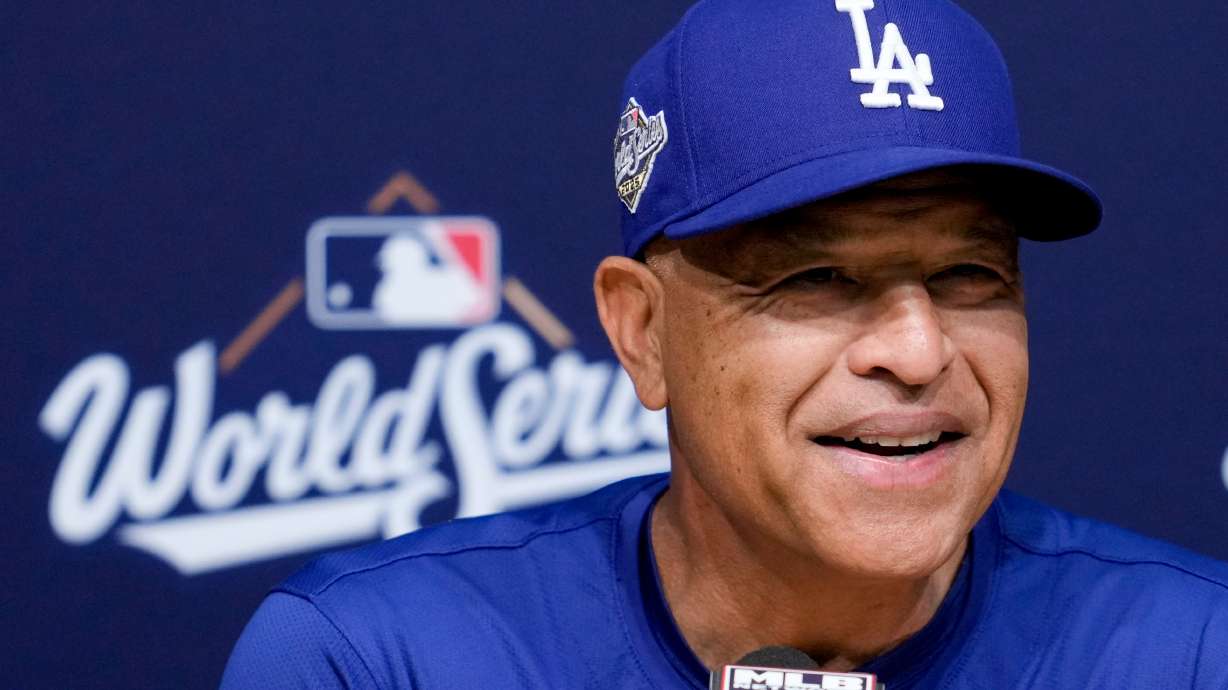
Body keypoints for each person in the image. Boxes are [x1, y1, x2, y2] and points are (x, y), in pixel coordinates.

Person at [221, 1, 1228, 687]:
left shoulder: (1190, 655)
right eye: (816, 279)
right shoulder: (382, 660)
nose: (919, 352)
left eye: (971, 277)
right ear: (642, 330)